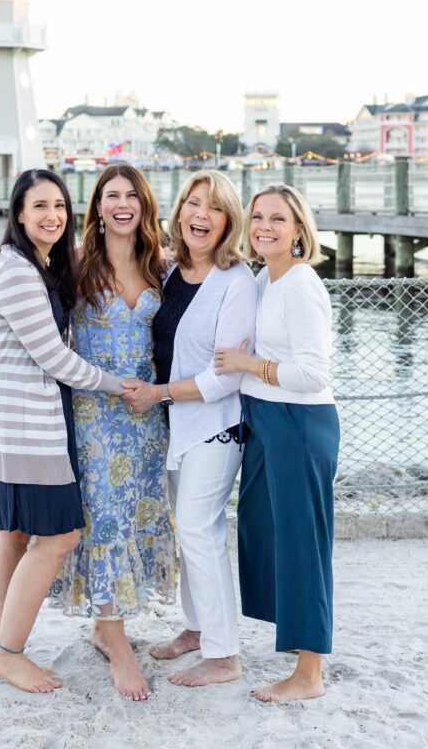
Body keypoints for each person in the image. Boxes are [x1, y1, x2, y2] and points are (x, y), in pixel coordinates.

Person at [0, 169, 126, 695]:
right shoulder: (17, 270)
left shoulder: (36, 263)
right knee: (60, 535)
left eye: (60, 206)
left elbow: (19, 343)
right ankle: (9, 653)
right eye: (39, 206)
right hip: (23, 427)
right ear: (18, 213)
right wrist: (118, 384)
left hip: (13, 421)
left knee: (14, 533)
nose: (52, 216)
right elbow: (53, 356)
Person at [124, 169, 257, 688]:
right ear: (179, 211)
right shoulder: (169, 269)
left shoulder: (237, 282)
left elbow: (224, 378)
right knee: (189, 530)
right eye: (193, 204)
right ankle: (198, 628)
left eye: (215, 207)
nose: (201, 215)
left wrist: (158, 393)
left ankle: (225, 656)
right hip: (175, 429)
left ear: (229, 221)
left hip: (214, 427)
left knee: (201, 530)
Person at [53, 164, 176, 701]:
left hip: (146, 416)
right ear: (97, 208)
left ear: (143, 205)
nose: (122, 203)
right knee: (103, 518)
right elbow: (36, 326)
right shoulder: (75, 267)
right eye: (111, 196)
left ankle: (105, 629)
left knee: (132, 516)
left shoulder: (162, 267)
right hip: (94, 415)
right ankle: (120, 651)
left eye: (132, 195)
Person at [214, 184, 340, 703]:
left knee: (302, 545)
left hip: (299, 423)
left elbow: (313, 373)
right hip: (265, 419)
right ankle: (295, 637)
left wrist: (246, 364)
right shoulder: (266, 277)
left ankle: (309, 674)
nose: (264, 226)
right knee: (264, 535)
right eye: (258, 217)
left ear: (298, 231)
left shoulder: (302, 284)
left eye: (277, 220)